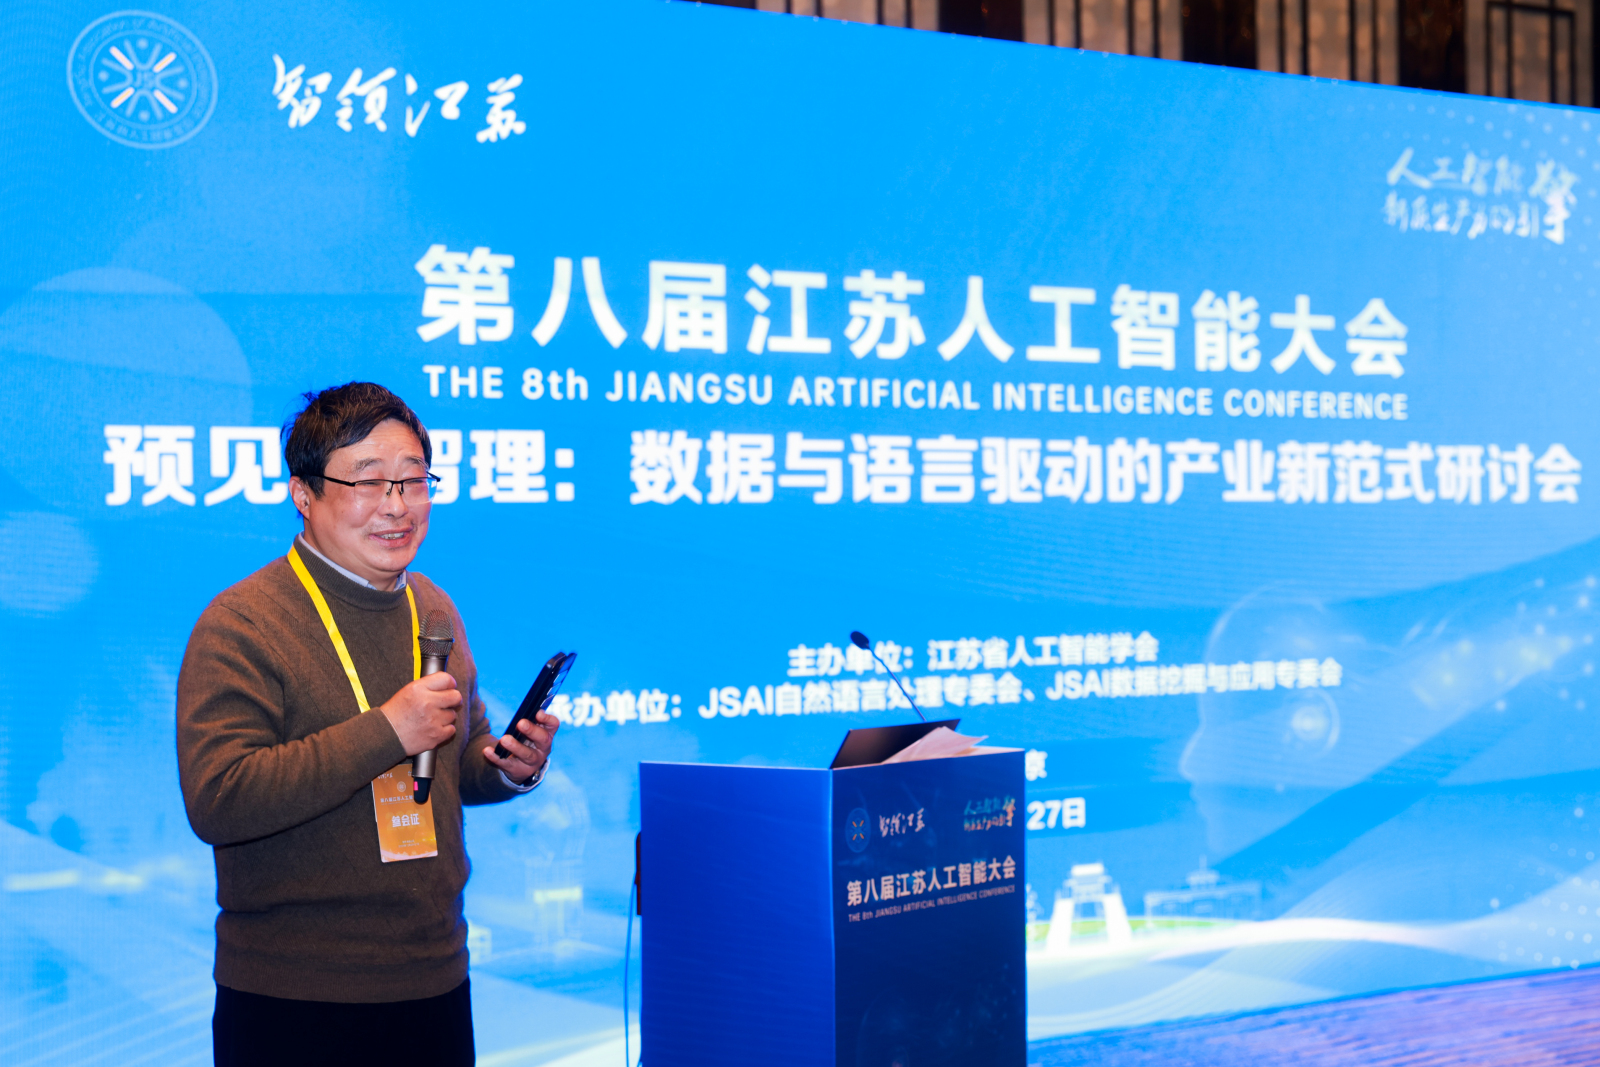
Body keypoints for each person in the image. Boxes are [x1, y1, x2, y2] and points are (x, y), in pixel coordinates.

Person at [177, 382, 558, 1066]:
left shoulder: (432, 606)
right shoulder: (241, 623)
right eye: (368, 481)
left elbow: (455, 760)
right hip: (294, 996)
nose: (396, 505)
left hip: (434, 976)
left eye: (413, 480)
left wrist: (507, 768)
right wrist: (388, 731)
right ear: (304, 494)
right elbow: (220, 798)